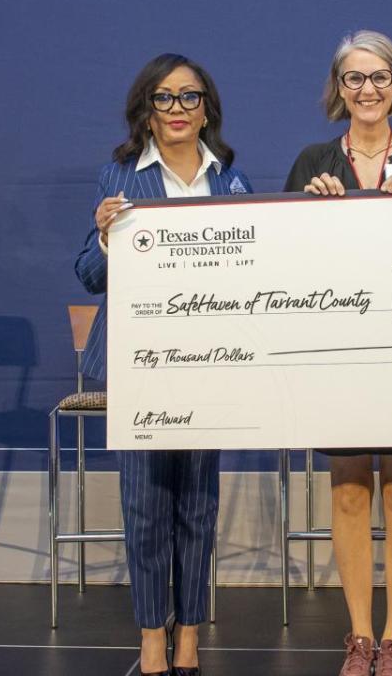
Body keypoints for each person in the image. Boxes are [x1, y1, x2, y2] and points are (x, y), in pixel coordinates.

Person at [75, 53, 253, 676]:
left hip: (208, 365)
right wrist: (104, 234)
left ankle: (190, 634)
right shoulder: (119, 176)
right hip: (140, 366)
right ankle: (153, 632)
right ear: (145, 112)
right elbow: (90, 276)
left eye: (189, 97)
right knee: (146, 505)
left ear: (207, 108)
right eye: (164, 98)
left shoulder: (229, 180)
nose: (178, 109)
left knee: (199, 506)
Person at [284, 30, 392, 676]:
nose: (368, 90)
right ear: (338, 89)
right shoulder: (312, 161)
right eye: (355, 79)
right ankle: (358, 636)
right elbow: (289, 256)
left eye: (380, 77)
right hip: (338, 348)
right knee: (350, 488)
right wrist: (308, 211)